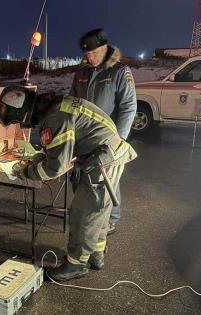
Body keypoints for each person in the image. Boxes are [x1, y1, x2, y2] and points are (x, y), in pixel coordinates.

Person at [0, 86, 137, 281]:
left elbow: (53, 169)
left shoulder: (54, 118)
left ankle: (76, 265)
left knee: (84, 214)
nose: (21, 125)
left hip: (102, 160)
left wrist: (25, 172)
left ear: (25, 113)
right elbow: (60, 148)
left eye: (19, 121)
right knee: (99, 210)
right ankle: (96, 254)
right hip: (106, 153)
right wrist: (39, 158)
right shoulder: (56, 106)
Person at [70, 28, 137, 235]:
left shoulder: (118, 71)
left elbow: (128, 107)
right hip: (84, 137)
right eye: (87, 54)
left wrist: (119, 141)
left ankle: (111, 219)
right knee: (83, 176)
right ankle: (87, 212)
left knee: (108, 178)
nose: (90, 58)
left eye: (94, 53)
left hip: (109, 138)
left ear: (105, 48)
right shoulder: (81, 73)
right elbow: (72, 103)